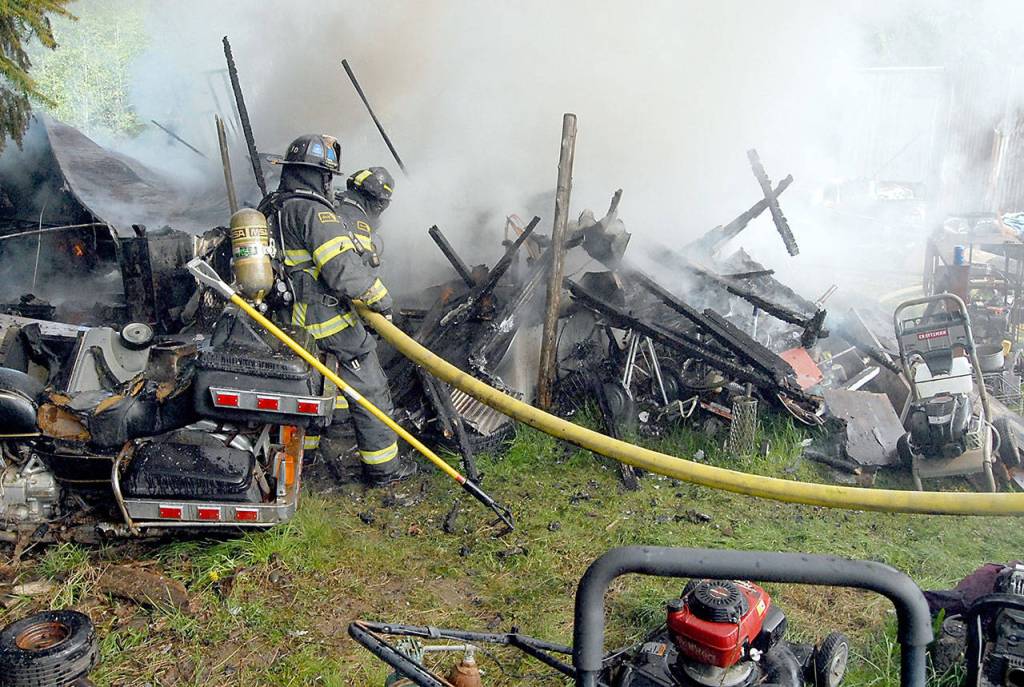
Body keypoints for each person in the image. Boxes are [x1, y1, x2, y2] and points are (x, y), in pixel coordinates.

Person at [259, 135, 415, 486]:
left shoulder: (274, 206)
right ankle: (384, 470)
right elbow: (342, 270)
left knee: (311, 389)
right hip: (324, 319)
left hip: (287, 322)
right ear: (321, 176)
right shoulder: (315, 212)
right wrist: (381, 299)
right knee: (371, 388)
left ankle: (307, 458)